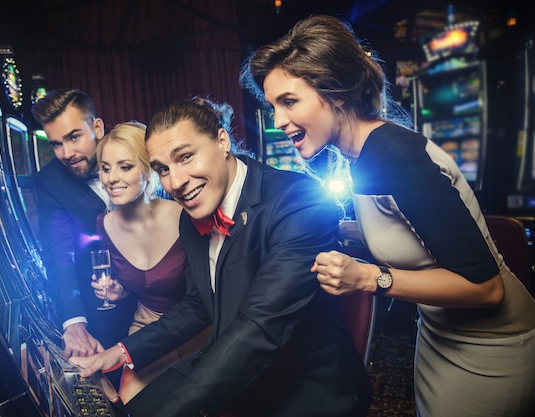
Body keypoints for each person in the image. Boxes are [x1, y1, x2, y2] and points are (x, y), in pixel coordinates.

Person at [240, 14, 535, 417]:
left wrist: (367, 278)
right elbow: (401, 230)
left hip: (491, 346)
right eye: (273, 106)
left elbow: (486, 288)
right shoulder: (361, 155)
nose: (278, 121)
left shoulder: (394, 155)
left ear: (337, 93)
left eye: (289, 101)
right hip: (438, 334)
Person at [70, 97, 372, 417]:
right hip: (227, 362)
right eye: (163, 169)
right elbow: (197, 305)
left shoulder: (298, 200)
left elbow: (258, 328)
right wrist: (119, 352)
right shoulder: (190, 218)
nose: (176, 182)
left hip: (302, 383)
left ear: (222, 141)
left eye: (186, 157)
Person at [90, 121, 211, 405]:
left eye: (125, 167)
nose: (112, 178)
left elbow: (201, 295)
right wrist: (121, 291)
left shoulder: (186, 215)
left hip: (198, 328)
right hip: (146, 328)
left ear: (148, 169)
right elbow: (143, 281)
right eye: (105, 168)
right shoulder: (104, 225)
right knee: (130, 403)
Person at [31, 89, 137, 382]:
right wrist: (74, 323)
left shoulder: (136, 150)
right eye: (56, 144)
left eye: (74, 137)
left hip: (162, 293)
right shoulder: (49, 181)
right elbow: (58, 252)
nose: (66, 153)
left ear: (98, 128)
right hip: (104, 309)